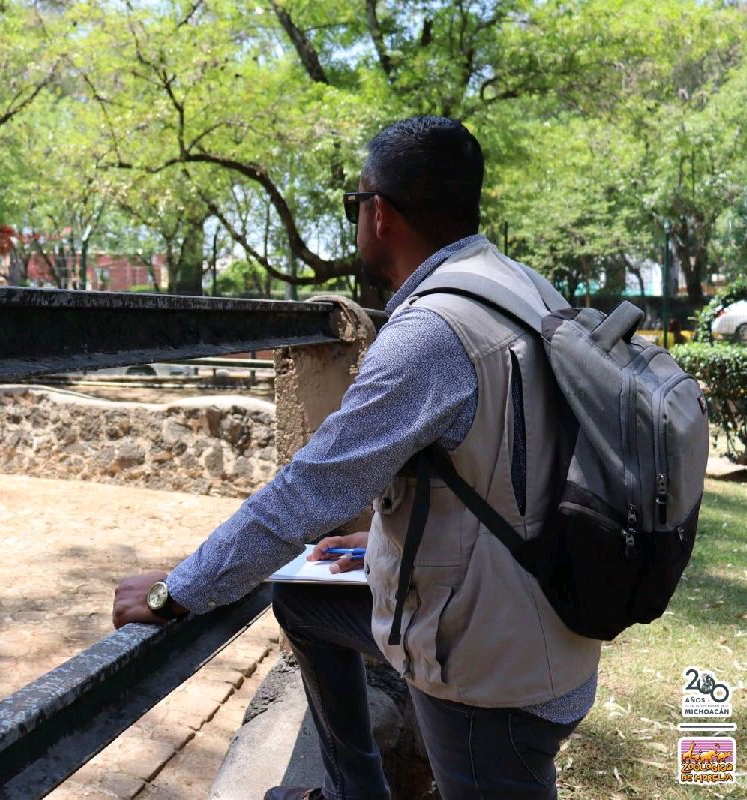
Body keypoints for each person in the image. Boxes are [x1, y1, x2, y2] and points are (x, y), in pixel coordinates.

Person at [112, 116, 600, 800]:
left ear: (379, 215)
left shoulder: (431, 332)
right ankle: (357, 789)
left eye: (355, 205)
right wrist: (379, 533)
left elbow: (308, 490)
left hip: (495, 674)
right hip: (551, 622)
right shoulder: (524, 287)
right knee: (302, 602)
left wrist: (175, 592)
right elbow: (507, 460)